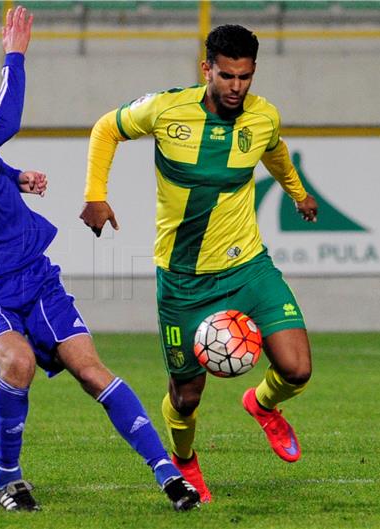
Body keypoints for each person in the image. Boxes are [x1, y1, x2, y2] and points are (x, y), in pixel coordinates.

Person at [0, 2, 201, 513]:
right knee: (17, 361)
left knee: (92, 370)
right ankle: (8, 479)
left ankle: (168, 474)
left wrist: (15, 178)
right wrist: (15, 56)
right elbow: (5, 123)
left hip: (35, 278)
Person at [79, 24, 318, 503]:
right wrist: (95, 196)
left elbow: (275, 152)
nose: (236, 87)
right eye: (227, 76)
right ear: (206, 68)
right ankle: (185, 462)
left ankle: (262, 404)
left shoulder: (263, 117)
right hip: (184, 280)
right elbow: (107, 128)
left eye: (245, 77)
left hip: (248, 266)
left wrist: (299, 193)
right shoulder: (167, 110)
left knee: (297, 369)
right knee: (187, 397)